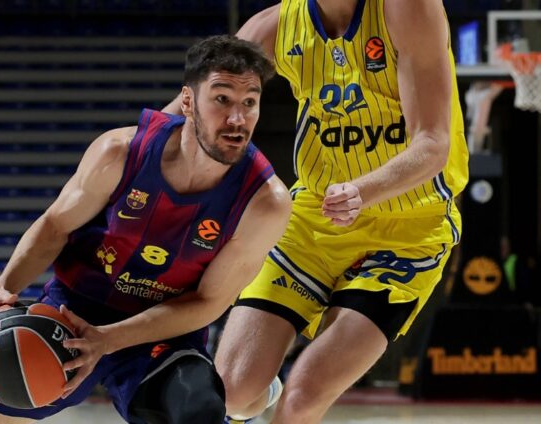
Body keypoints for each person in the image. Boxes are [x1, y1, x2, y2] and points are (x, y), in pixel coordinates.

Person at [0, 35, 291, 424]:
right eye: (222, 99)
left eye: (250, 103)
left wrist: (109, 339)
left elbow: (208, 302)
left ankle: (243, 399)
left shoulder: (265, 203)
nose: (237, 119)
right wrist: (3, 286)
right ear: (188, 101)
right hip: (73, 311)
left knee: (200, 408)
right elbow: (54, 227)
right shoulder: (119, 152)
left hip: (162, 330)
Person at [164, 1, 469, 422]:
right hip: (315, 215)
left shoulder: (407, 8)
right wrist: (119, 161)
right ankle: (261, 390)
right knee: (233, 392)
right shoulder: (273, 26)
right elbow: (187, 114)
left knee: (303, 396)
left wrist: (362, 190)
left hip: (409, 227)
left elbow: (433, 144)